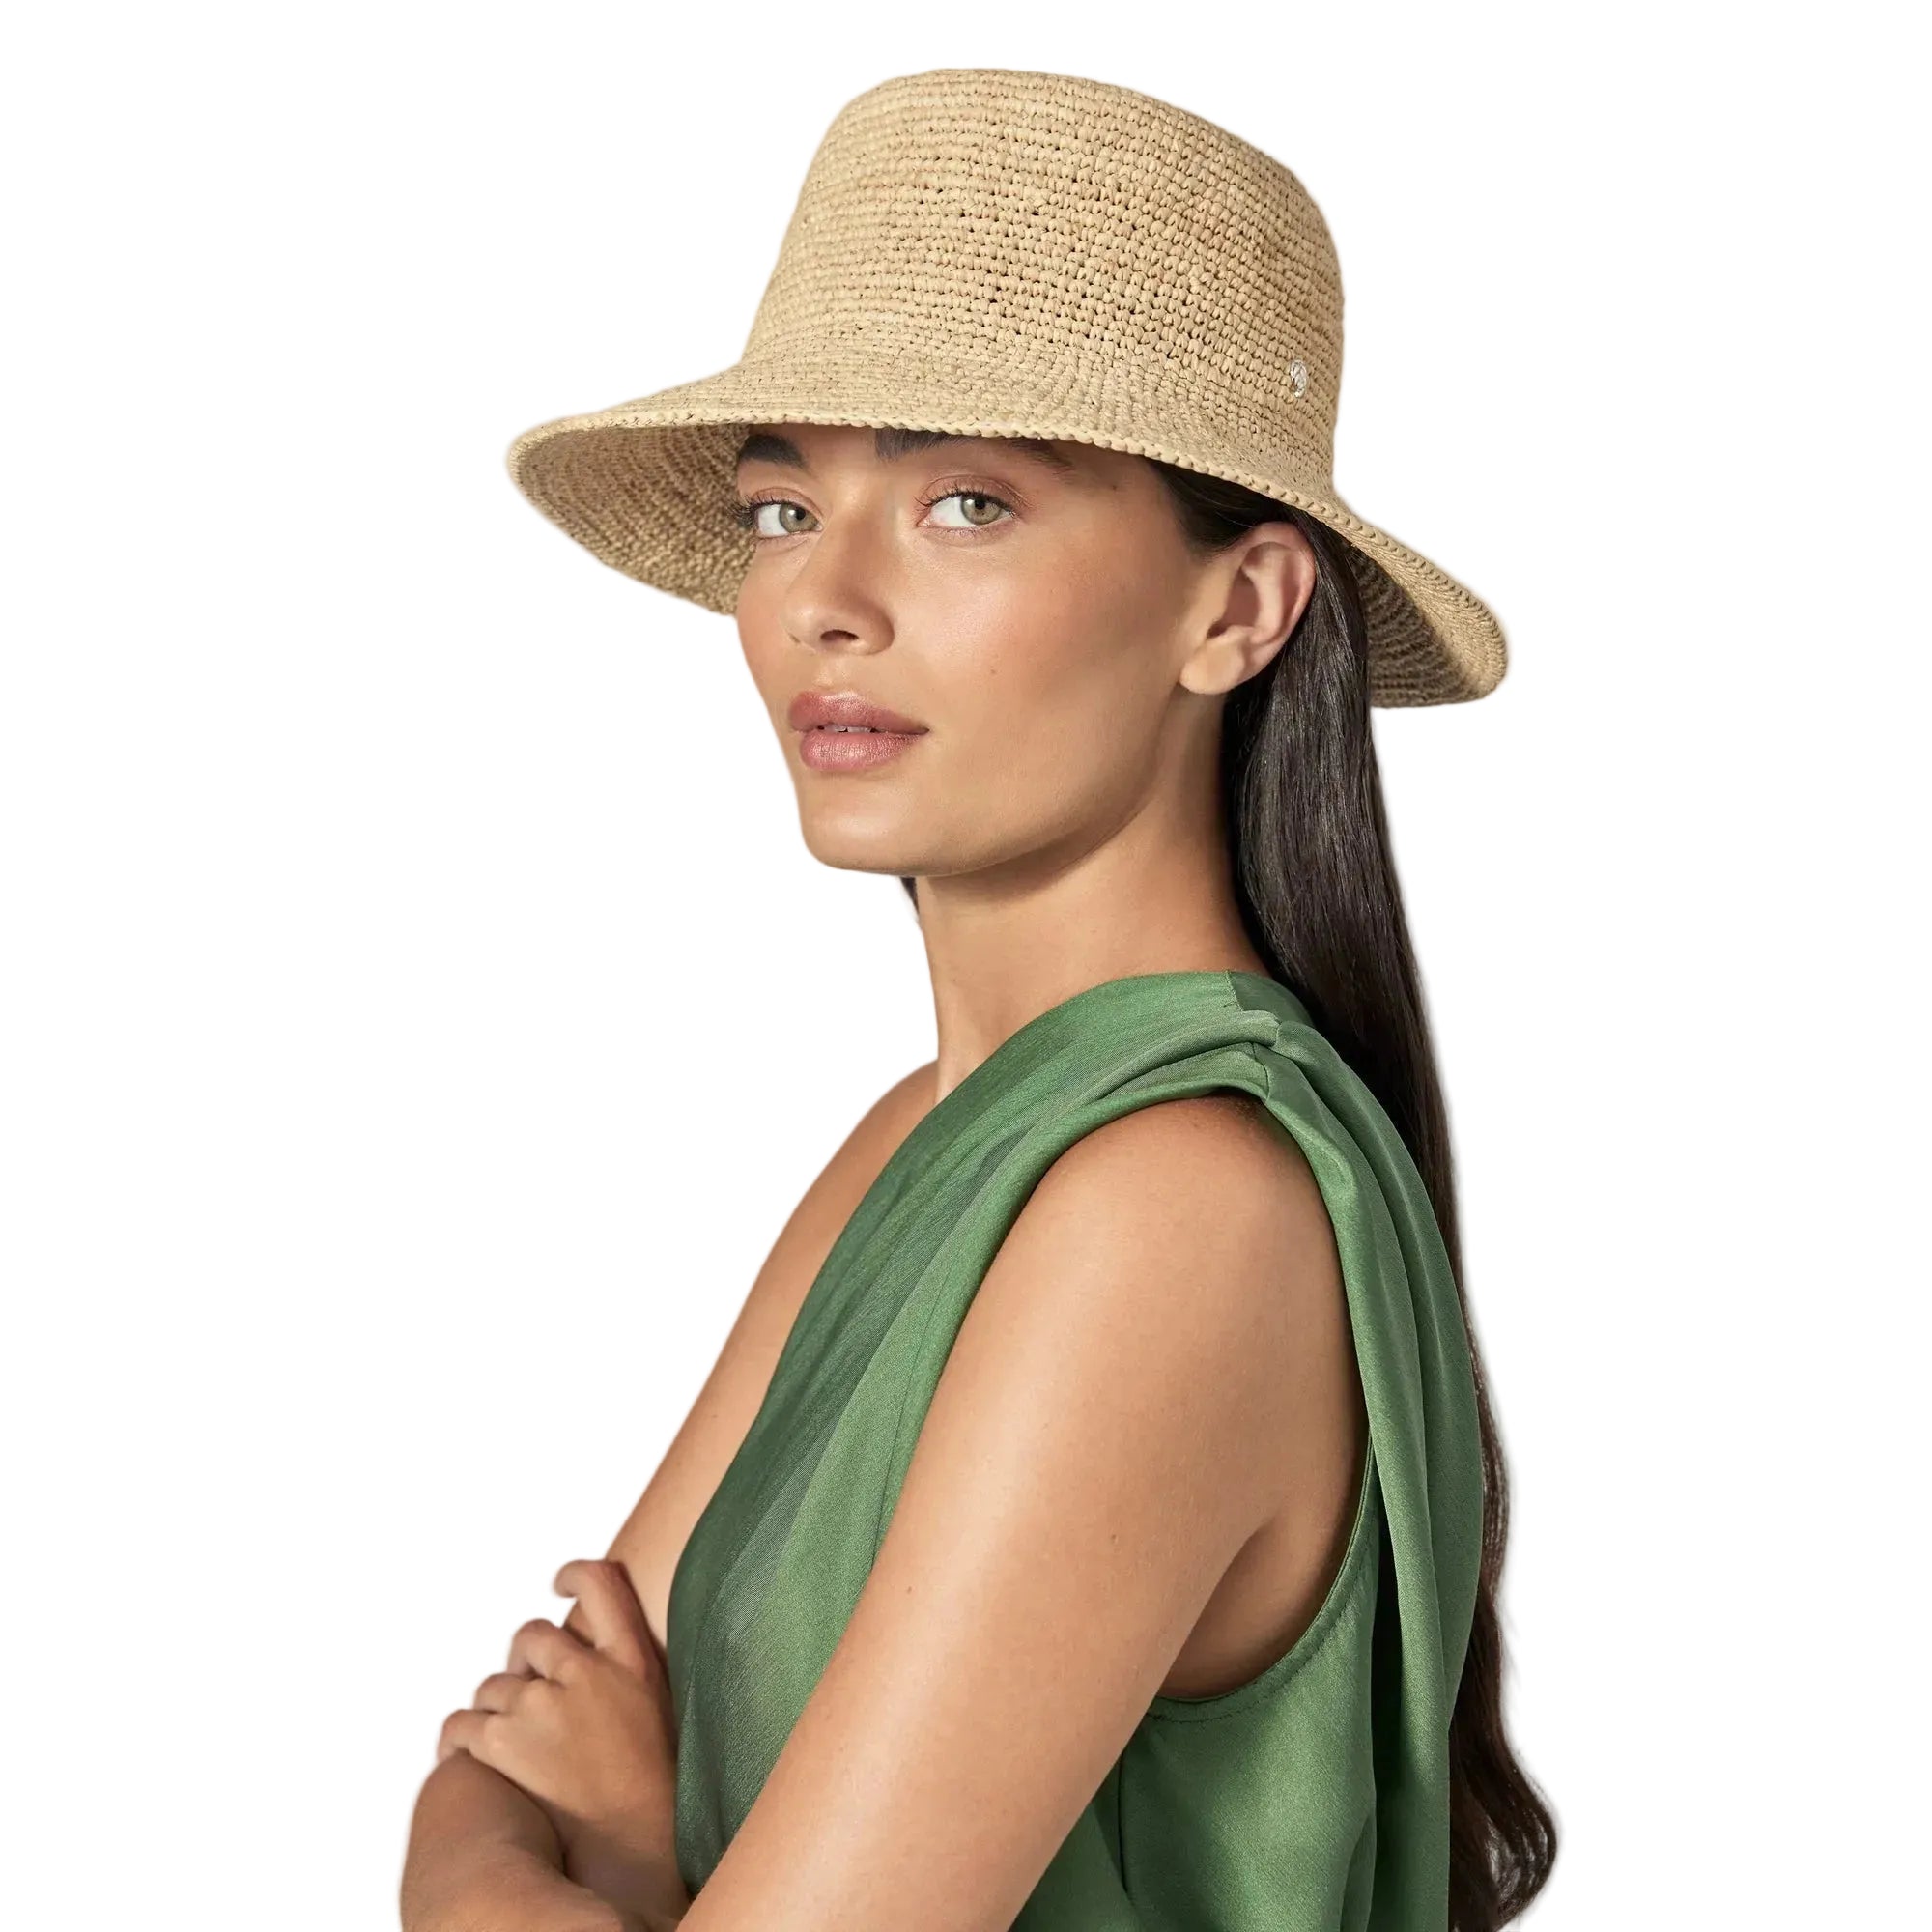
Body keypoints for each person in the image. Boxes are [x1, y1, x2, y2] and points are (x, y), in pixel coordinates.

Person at [400, 66, 1556, 1932]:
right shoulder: (937, 1134)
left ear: (1239, 610)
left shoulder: (1176, 1210)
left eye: (964, 501)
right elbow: (509, 1747)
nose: (824, 601)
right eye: (782, 506)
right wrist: (549, 1852)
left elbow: (530, 1798)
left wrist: (598, 1856)